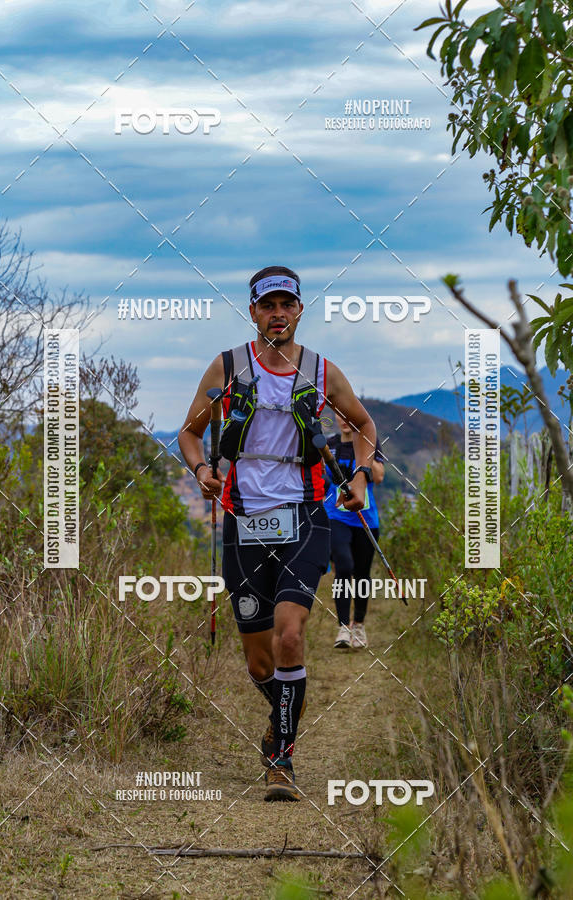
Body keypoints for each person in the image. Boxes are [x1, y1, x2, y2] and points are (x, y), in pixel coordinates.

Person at [178, 265, 378, 802]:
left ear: (299, 311)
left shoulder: (320, 370)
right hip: (243, 518)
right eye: (269, 305)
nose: (278, 314)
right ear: (253, 312)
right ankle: (282, 715)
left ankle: (282, 758)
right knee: (259, 661)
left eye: (287, 305)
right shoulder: (228, 366)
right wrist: (202, 471)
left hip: (304, 514)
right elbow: (190, 433)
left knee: (291, 635)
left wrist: (358, 474)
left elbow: (360, 424)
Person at [324, 412, 385, 650]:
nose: (344, 419)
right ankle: (343, 628)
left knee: (362, 574)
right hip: (336, 515)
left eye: (348, 415)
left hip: (365, 519)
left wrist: (362, 468)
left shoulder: (368, 443)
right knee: (344, 566)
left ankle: (358, 624)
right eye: (339, 415)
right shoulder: (329, 445)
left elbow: (379, 476)